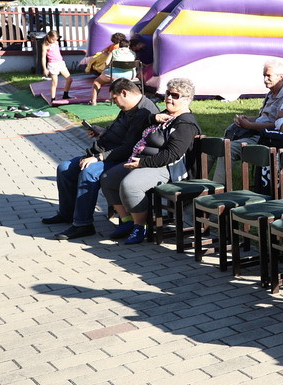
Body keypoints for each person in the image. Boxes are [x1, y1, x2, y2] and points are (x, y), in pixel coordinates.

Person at [44, 79, 157, 240]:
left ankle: (83, 224)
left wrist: (99, 158)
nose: (114, 103)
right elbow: (120, 132)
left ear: (124, 93)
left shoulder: (143, 112)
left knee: (89, 172)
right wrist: (102, 132)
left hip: (124, 158)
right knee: (64, 168)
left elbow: (129, 147)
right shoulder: (128, 107)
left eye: (114, 99)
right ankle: (67, 213)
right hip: (107, 152)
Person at [101, 78, 201, 245]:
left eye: (175, 95)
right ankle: (127, 221)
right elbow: (142, 123)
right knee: (108, 179)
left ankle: (140, 226)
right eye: (168, 93)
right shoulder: (166, 115)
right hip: (146, 161)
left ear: (187, 99)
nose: (169, 98)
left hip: (167, 168)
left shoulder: (185, 123)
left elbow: (172, 155)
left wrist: (141, 163)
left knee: (130, 185)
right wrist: (153, 117)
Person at [215, 60, 283, 181]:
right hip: (255, 133)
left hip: (268, 139)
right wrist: (246, 118)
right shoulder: (271, 93)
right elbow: (263, 117)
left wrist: (249, 125)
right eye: (264, 75)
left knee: (227, 149)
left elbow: (278, 125)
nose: (265, 79)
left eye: (268, 76)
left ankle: (216, 189)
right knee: (216, 144)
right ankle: (199, 185)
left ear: (280, 77)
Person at [88, 40, 138, 105]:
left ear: (119, 45)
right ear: (128, 46)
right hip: (130, 75)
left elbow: (106, 62)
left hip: (115, 74)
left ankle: (94, 101)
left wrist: (106, 69)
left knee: (97, 82)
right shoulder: (133, 53)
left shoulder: (114, 51)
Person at [42, 29, 73, 104]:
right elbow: (43, 57)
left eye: (55, 39)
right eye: (52, 39)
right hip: (53, 64)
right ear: (48, 37)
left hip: (60, 63)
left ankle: (65, 94)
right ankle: (53, 99)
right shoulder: (45, 46)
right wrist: (45, 69)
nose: (54, 41)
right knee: (55, 82)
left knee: (69, 79)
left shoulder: (56, 43)